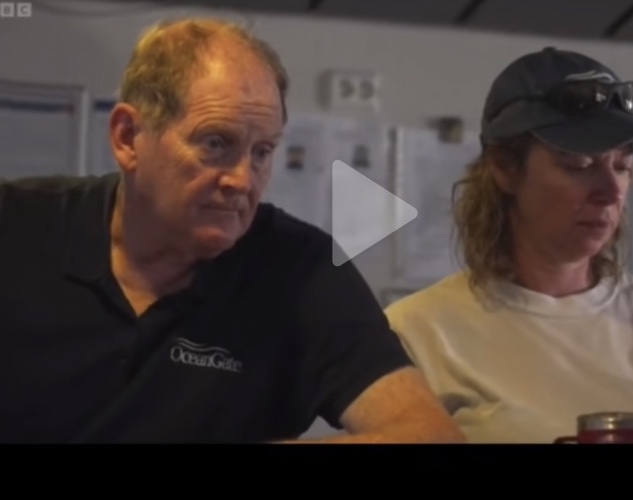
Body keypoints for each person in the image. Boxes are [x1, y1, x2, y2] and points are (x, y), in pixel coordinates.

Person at [0, 18, 463, 444]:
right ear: (128, 138)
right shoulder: (18, 225)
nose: (242, 180)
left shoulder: (299, 271)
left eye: (262, 152)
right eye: (216, 143)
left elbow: (429, 436)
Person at [386, 46, 633, 444]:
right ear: (504, 167)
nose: (611, 192)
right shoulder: (419, 332)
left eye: (622, 167)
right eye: (579, 166)